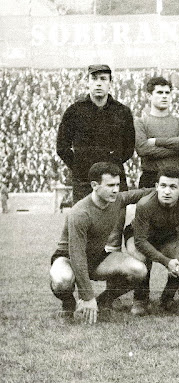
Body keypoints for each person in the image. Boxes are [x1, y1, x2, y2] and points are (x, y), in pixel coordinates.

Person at [49, 162, 150, 324]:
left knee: (139, 271)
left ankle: (103, 301)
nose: (116, 189)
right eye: (110, 185)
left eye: (117, 184)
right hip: (68, 257)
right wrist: (87, 296)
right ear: (94, 185)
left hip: (96, 257)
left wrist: (161, 190)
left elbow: (138, 194)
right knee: (62, 280)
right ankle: (68, 303)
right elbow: (77, 255)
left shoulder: (116, 200)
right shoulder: (80, 213)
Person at [56, 64, 135, 253]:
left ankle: (113, 281)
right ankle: (82, 281)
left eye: (103, 79)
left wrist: (110, 169)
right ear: (87, 82)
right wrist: (81, 168)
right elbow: (62, 147)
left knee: (113, 243)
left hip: (114, 184)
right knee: (79, 239)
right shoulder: (74, 111)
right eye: (94, 79)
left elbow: (128, 148)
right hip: (84, 183)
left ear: (110, 83)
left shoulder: (122, 112)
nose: (98, 84)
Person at [125, 169, 179, 315]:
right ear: (157, 186)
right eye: (163, 186)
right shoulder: (145, 204)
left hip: (167, 237)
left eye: (172, 187)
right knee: (140, 258)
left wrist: (175, 259)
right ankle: (140, 299)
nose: (167, 191)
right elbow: (140, 241)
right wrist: (166, 261)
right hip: (139, 237)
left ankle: (167, 298)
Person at [135, 76, 179, 193]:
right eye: (160, 92)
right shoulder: (140, 122)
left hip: (177, 177)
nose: (164, 96)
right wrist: (178, 145)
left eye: (167, 93)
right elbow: (143, 149)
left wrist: (157, 142)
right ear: (149, 96)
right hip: (151, 177)